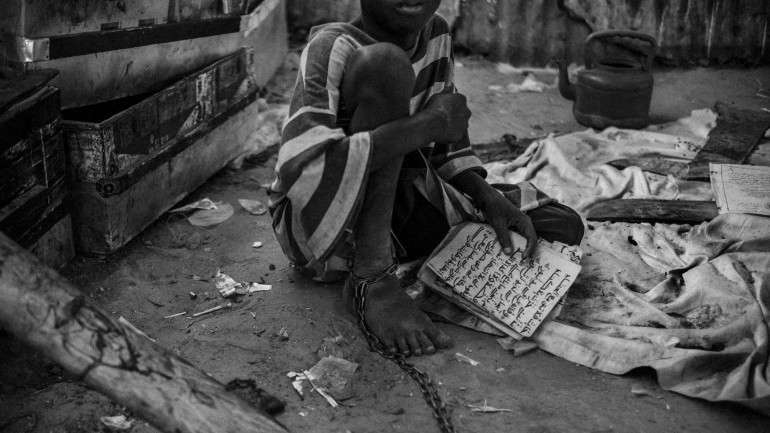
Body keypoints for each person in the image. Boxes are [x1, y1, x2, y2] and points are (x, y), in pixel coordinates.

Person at [269, 0, 584, 357]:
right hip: (319, 225)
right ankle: (371, 279)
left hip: (393, 200)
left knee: (560, 225)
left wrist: (486, 198)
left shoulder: (435, 34)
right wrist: (428, 124)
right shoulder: (331, 47)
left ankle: (412, 257)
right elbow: (307, 171)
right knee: (385, 64)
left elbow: (441, 147)